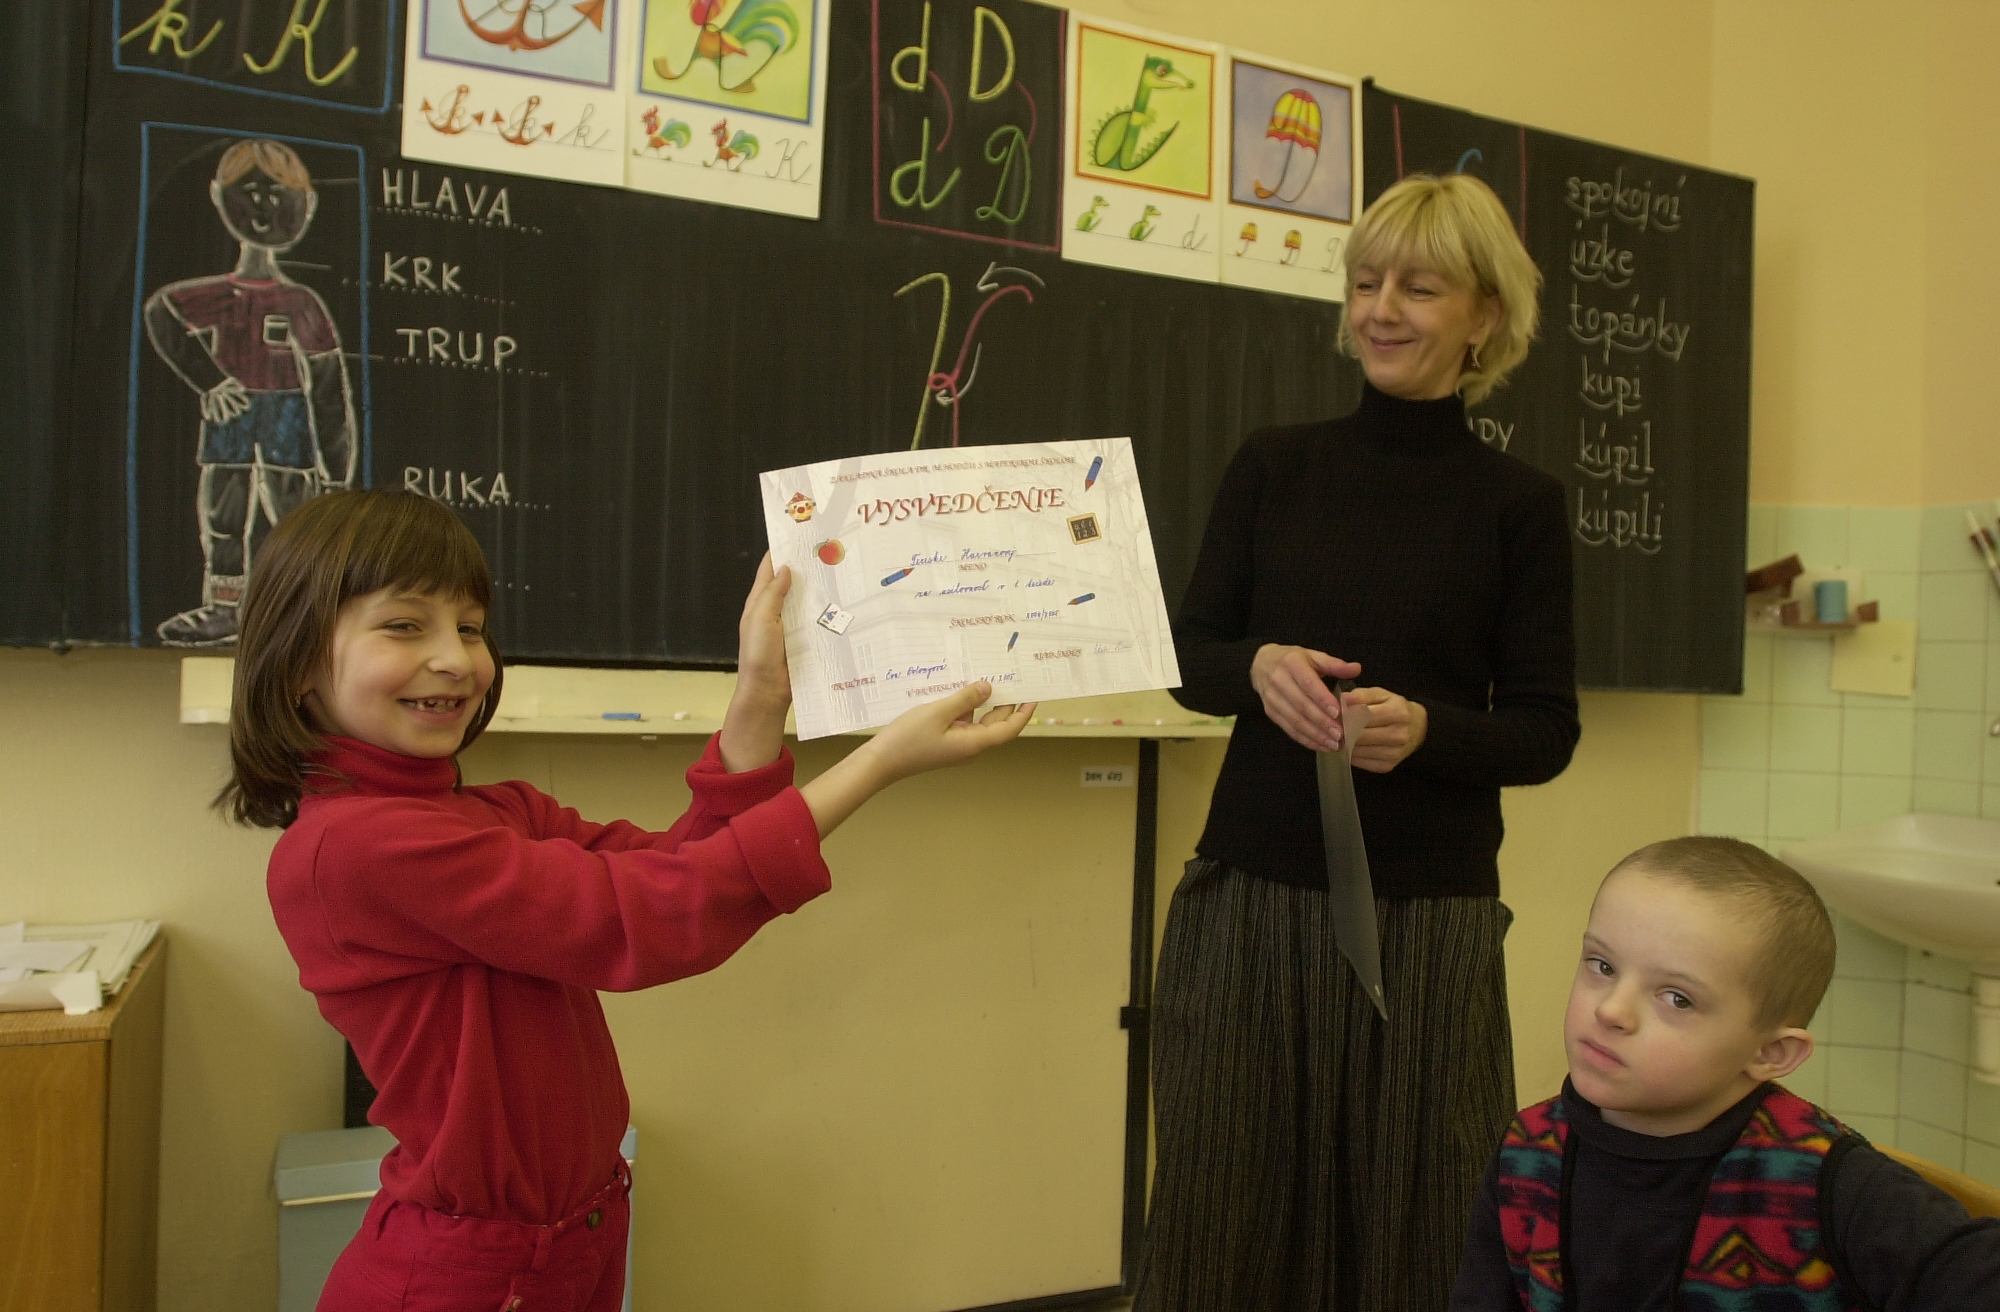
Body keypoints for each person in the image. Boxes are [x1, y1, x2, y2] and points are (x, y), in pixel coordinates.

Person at [220, 489, 1033, 1310]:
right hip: (468, 1274)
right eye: (404, 626)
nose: (457, 659)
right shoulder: (350, 848)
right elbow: (647, 916)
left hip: (575, 1239)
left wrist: (760, 693)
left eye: (469, 627)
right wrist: (878, 763)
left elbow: (680, 867)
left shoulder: (497, 813)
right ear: (297, 663)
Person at [1139, 172, 1581, 1312]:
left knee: (1419, 1222)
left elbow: (1544, 731)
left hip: (1428, 921)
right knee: (1223, 1213)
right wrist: (1256, 667)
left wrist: (1426, 730)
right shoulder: (1273, 463)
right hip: (1250, 896)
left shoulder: (1517, 505)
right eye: (1365, 283)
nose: (1380, 310)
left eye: (1417, 288)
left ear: (1484, 315)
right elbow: (1188, 653)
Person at [1452, 836, 2000, 1310]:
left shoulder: (1830, 1185)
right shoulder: (1527, 1151)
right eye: (1603, 966)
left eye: (1677, 998)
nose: (1611, 1010)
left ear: (1771, 1053)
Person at [144, 138, 355, 648]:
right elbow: (160, 312)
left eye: (278, 196)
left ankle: (305, 606)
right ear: (219, 198)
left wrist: (336, 470)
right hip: (234, 413)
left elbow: (328, 385)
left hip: (286, 414)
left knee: (295, 513)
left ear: (306, 206)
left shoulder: (301, 302)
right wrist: (211, 380)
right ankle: (225, 607)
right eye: (251, 195)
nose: (263, 209)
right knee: (224, 509)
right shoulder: (214, 294)